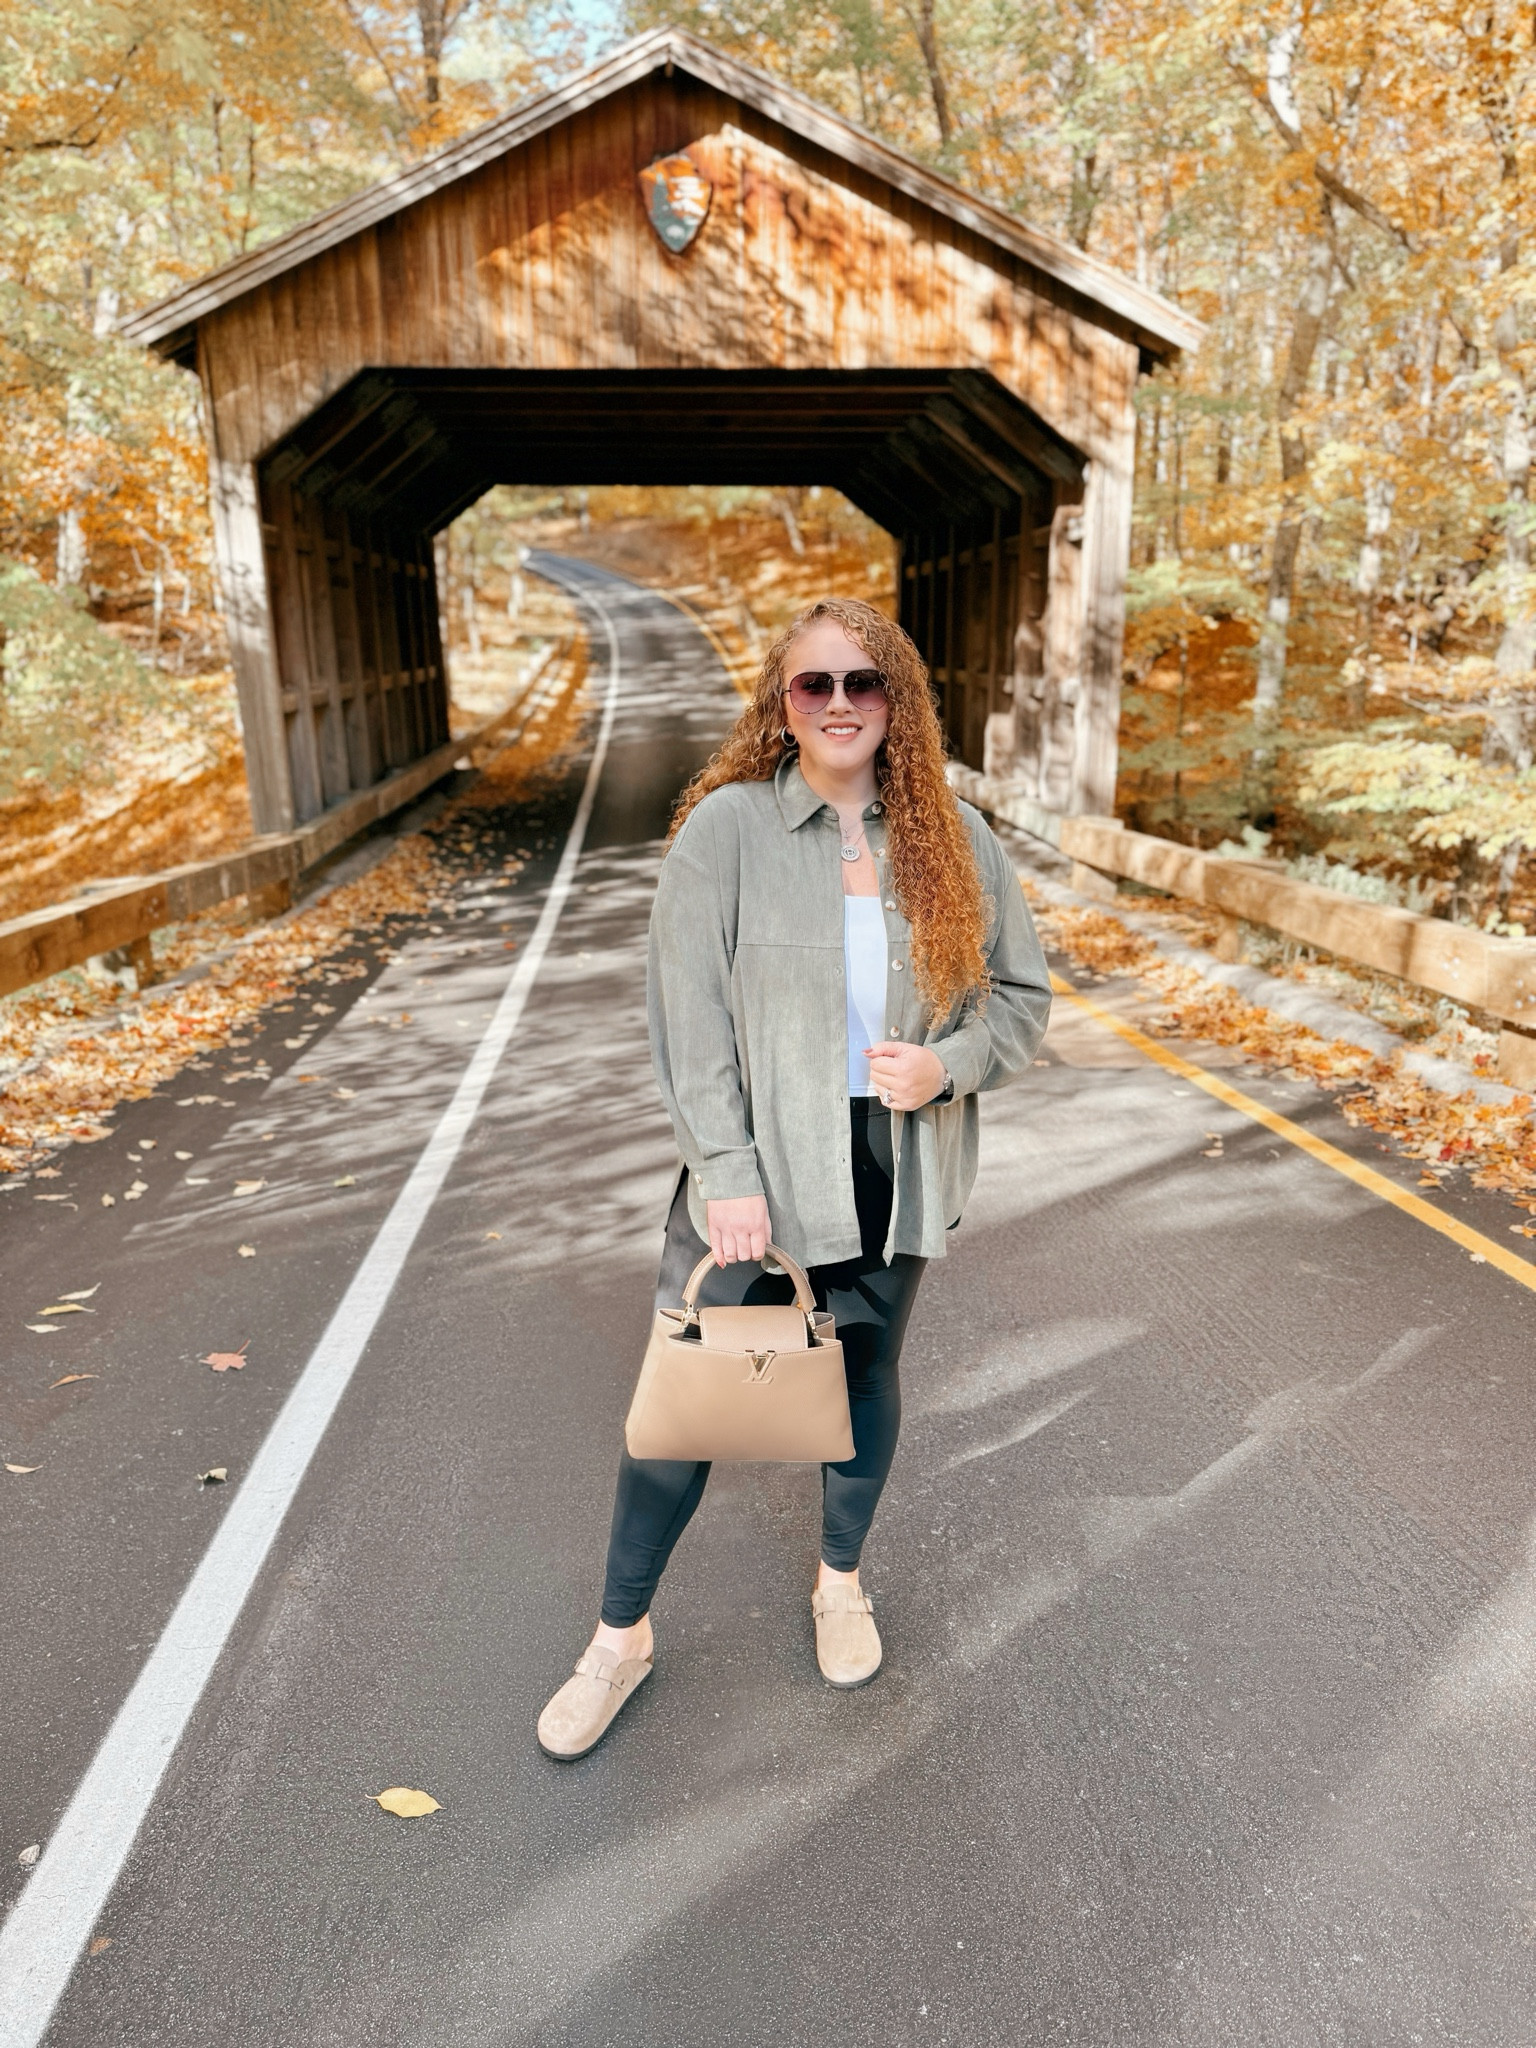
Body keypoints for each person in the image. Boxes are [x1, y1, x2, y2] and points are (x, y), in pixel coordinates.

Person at [537, 595, 1051, 1759]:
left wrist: (947, 1064)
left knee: (860, 1378)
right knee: (687, 1404)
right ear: (782, 701)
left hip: (895, 1162)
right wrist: (725, 1166)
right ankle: (619, 1637)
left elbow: (1022, 999)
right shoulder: (726, 831)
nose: (837, 705)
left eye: (862, 683)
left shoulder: (956, 841)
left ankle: (840, 1581)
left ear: (897, 701)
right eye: (813, 684)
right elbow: (691, 1020)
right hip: (758, 1171)